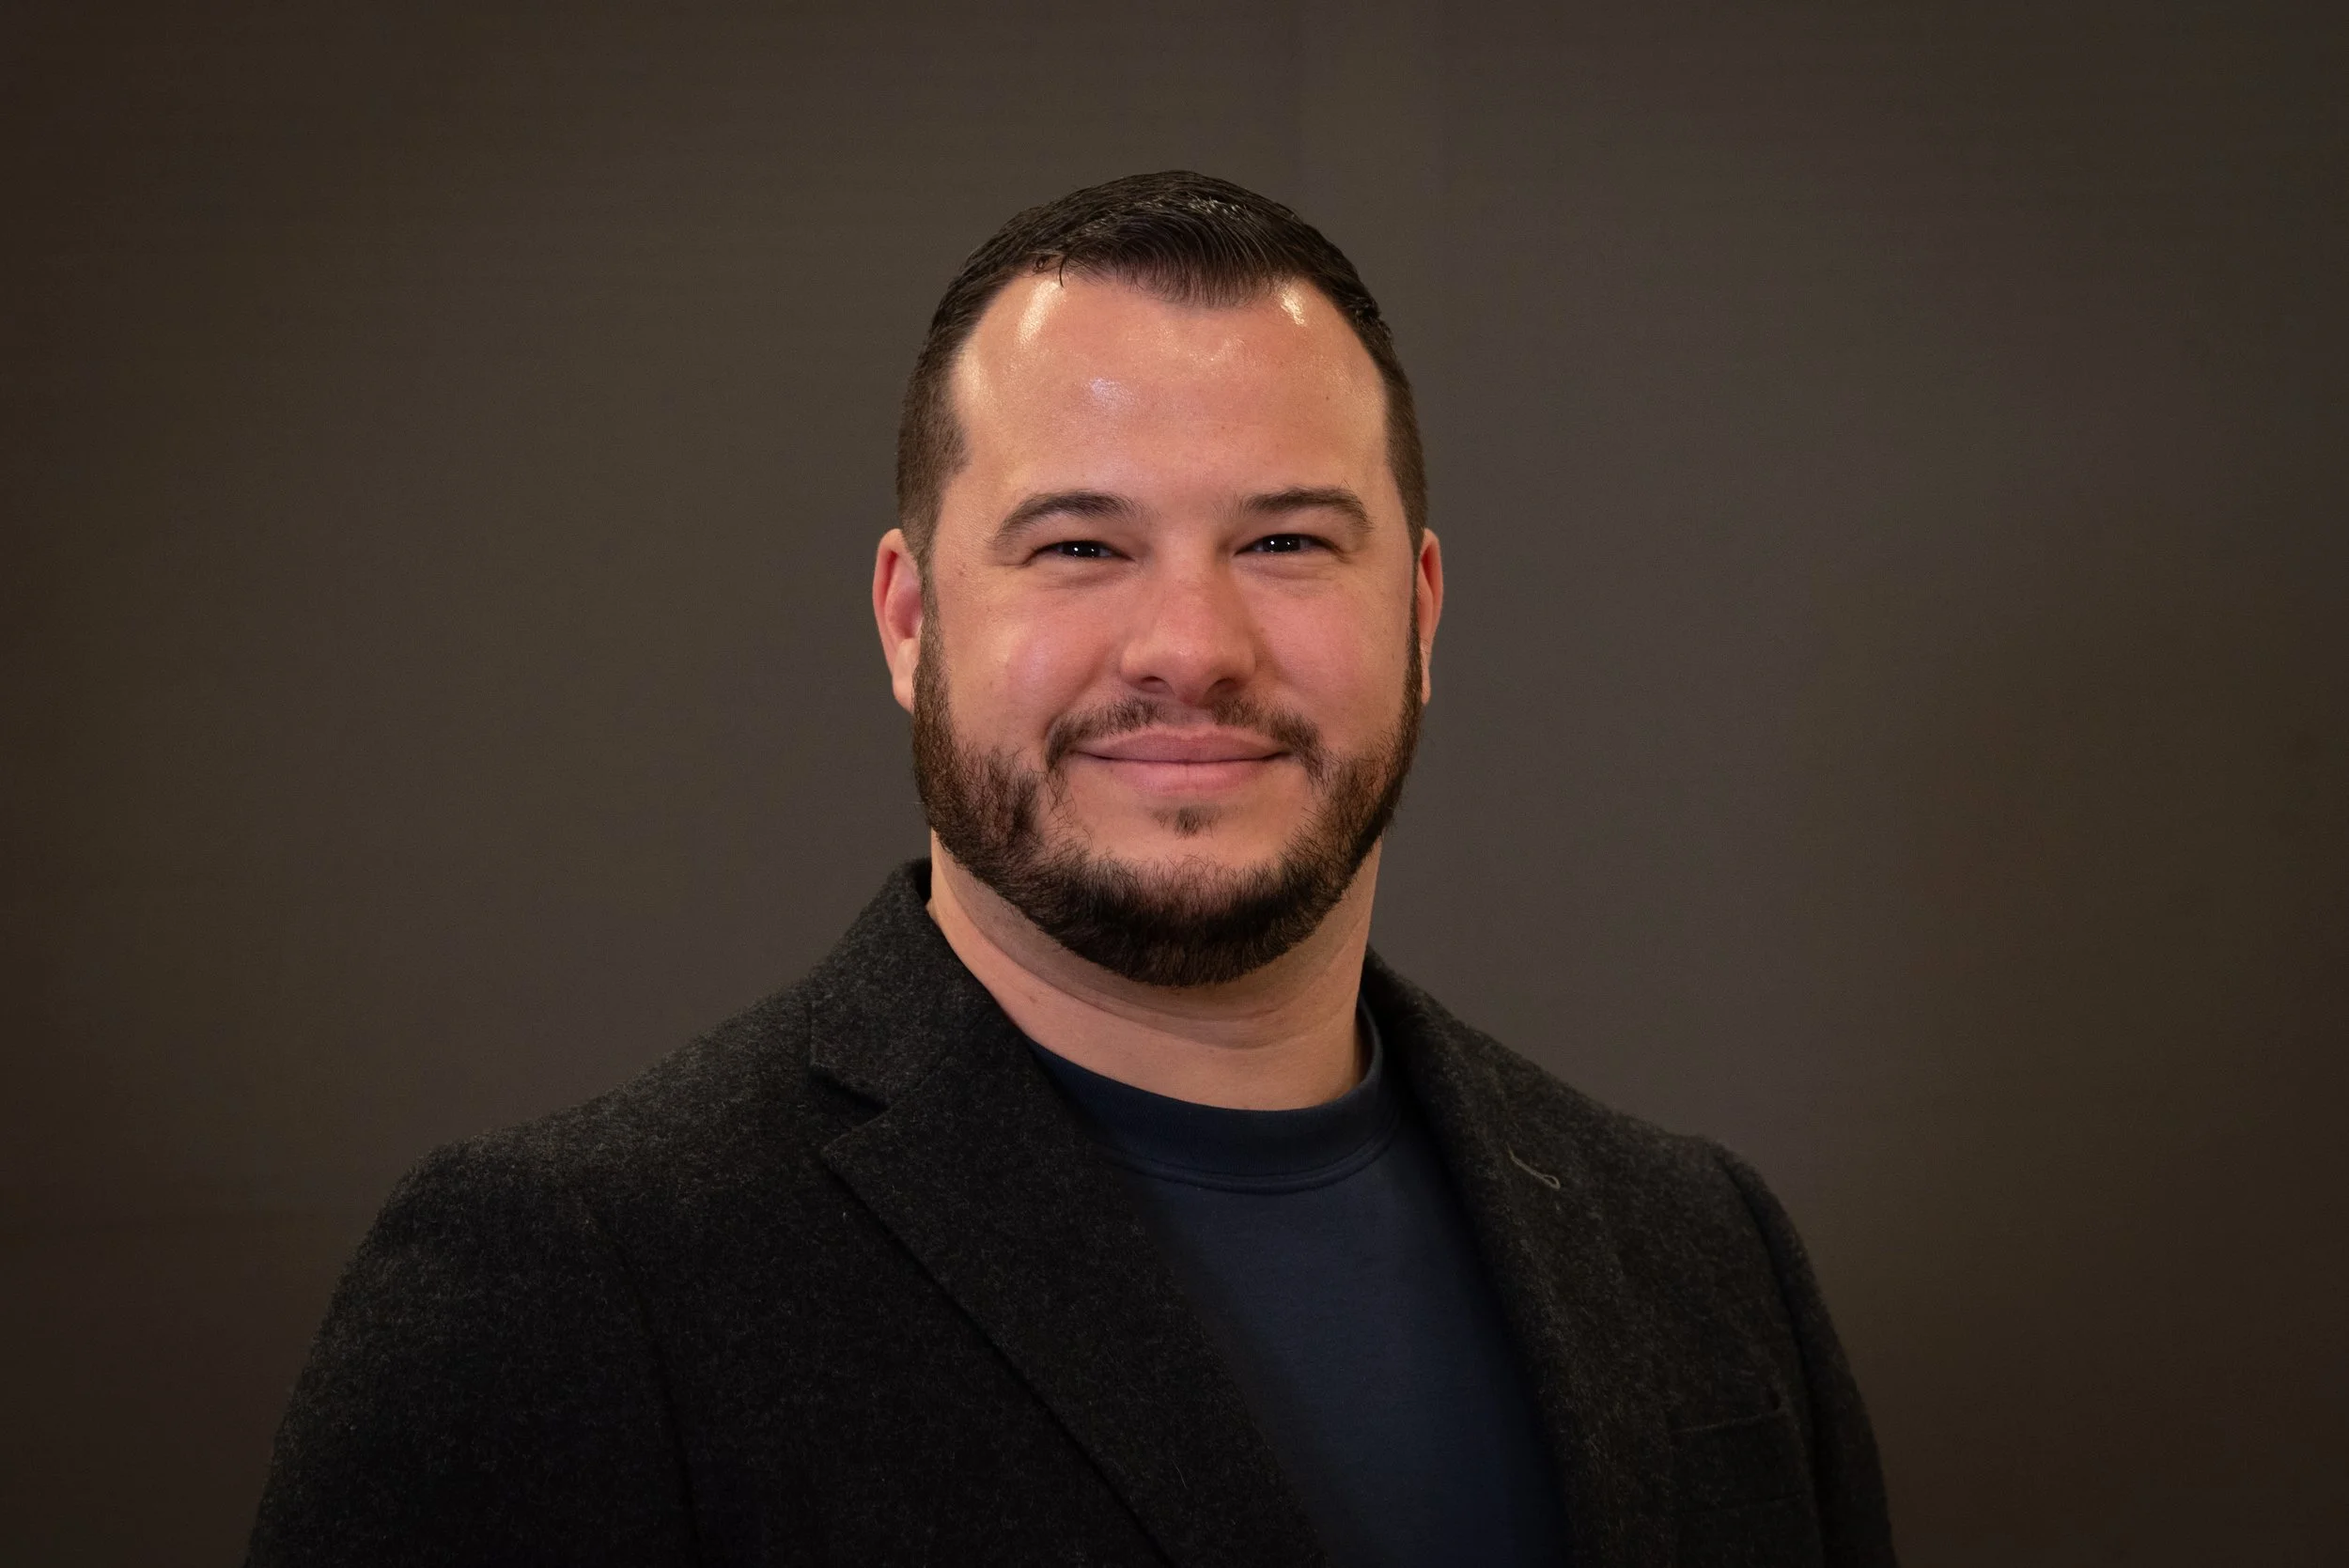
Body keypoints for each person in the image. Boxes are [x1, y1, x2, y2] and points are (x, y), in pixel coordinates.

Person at [248, 172, 1895, 1568]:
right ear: (910, 622)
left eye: (1287, 542)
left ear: (1424, 612)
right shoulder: (560, 1291)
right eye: (1081, 547)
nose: (1192, 645)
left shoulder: (1701, 1254)